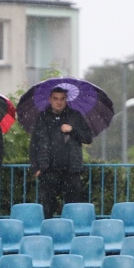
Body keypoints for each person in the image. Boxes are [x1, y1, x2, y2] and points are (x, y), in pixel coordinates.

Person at [29, 86, 93, 219]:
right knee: (47, 210)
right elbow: (34, 144)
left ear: (66, 100)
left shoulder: (75, 116)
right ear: (50, 99)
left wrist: (72, 130)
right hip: (48, 171)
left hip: (71, 171)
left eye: (62, 99)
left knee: (73, 210)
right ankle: (47, 236)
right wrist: (36, 168)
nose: (59, 102)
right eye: (55, 99)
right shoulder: (42, 118)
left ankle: (72, 236)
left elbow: (88, 138)